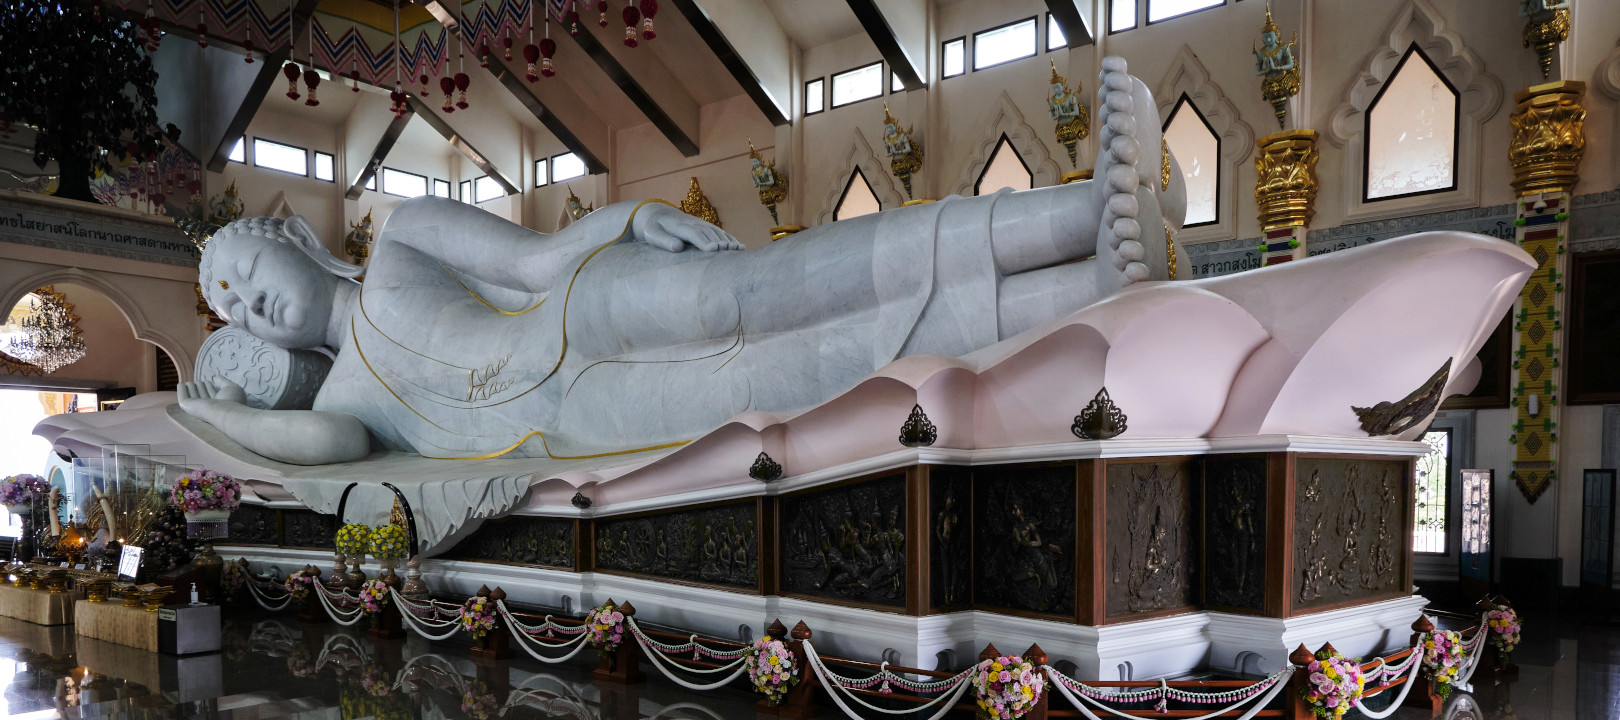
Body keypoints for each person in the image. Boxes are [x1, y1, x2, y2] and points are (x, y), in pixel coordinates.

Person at [178, 58, 1181, 466]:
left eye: (244, 267)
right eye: (231, 310)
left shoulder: (401, 236)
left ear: (297, 238)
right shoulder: (337, 405)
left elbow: (535, 262)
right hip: (570, 417)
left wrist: (633, 218)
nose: (246, 300)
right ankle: (1091, 281)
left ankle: (1076, 209)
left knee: (769, 287)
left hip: (582, 311)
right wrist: (198, 406)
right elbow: (325, 455)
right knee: (802, 373)